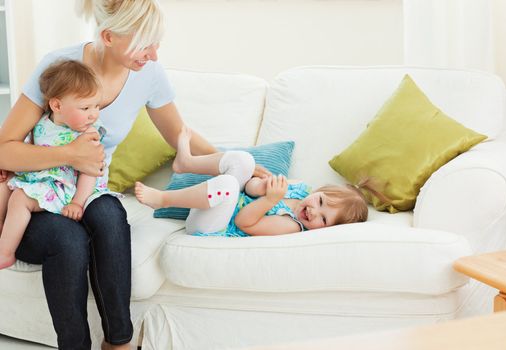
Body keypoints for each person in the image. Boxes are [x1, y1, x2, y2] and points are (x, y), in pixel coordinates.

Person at [0, 0, 268, 349]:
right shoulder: (60, 68)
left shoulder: (149, 75)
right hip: (40, 193)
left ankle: (119, 341)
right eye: (145, 44)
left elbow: (179, 134)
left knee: (112, 216)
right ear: (108, 36)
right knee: (69, 241)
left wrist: (233, 163)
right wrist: (69, 154)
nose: (153, 55)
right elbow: (5, 147)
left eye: (157, 43)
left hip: (85, 188)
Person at [136, 127, 385, 236]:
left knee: (228, 186)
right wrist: (261, 184)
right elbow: (249, 189)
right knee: (245, 161)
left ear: (328, 229)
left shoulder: (291, 225)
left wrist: (270, 199)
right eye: (320, 201)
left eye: (324, 218)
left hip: (212, 226)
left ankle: (163, 199)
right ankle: (187, 163)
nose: (313, 210)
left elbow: (245, 222)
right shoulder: (298, 190)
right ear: (317, 191)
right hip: (219, 201)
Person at [0, 59, 114, 270]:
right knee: (3, 186)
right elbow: (29, 150)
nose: (93, 114)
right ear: (57, 105)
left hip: (64, 187)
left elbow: (91, 171)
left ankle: (5, 252)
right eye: (85, 107)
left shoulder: (88, 133)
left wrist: (78, 203)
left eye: (96, 106)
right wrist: (8, 169)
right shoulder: (42, 122)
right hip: (39, 178)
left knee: (20, 198)